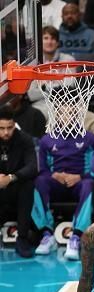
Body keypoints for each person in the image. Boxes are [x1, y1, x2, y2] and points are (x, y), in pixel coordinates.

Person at [33, 126, 94, 260]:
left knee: (90, 184)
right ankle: (47, 235)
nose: (67, 116)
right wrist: (54, 175)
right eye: (63, 112)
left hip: (79, 183)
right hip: (56, 184)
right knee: (38, 181)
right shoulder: (46, 140)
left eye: (71, 111)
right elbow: (43, 169)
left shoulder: (90, 138)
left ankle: (76, 237)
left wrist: (80, 176)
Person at [0, 106, 37, 258]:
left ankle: (22, 238)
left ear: (14, 124)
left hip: (16, 187)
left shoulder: (24, 139)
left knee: (27, 185)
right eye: (1, 128)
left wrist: (10, 178)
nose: (6, 132)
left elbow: (32, 167)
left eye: (9, 127)